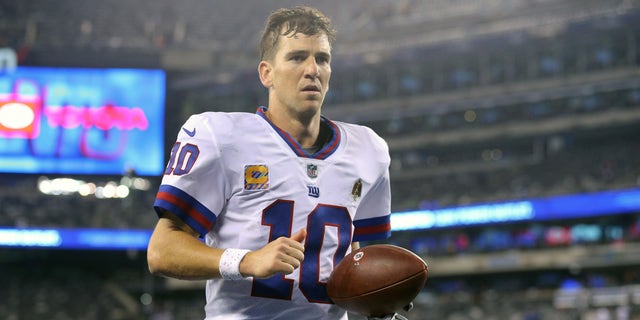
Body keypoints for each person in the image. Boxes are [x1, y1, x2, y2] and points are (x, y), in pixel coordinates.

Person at [148, 5, 400, 320]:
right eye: (297, 57)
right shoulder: (220, 136)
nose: (312, 69)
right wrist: (245, 261)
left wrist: (380, 298)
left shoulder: (369, 150)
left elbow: (364, 254)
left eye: (322, 59)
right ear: (266, 73)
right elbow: (161, 251)